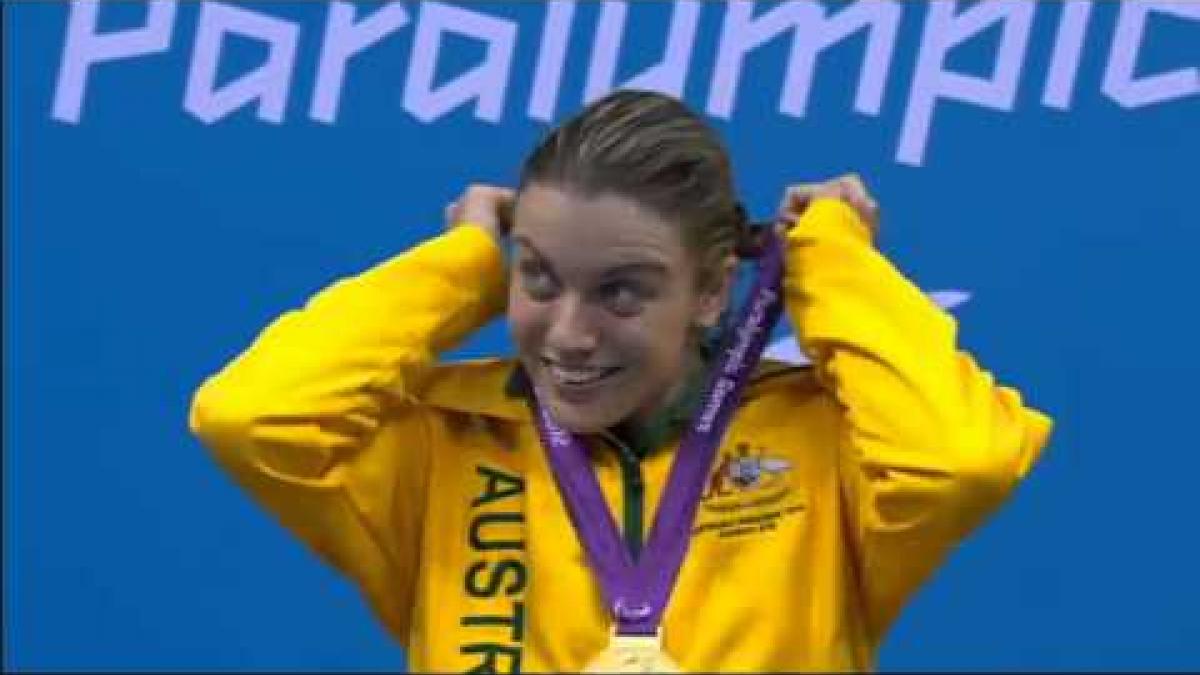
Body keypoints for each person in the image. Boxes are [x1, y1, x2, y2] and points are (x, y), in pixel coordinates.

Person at [189, 90, 1052, 672]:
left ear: (711, 290)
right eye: (539, 278)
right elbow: (251, 415)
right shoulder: (443, 445)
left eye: (622, 292)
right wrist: (463, 267)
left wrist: (827, 257)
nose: (569, 334)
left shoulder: (822, 444)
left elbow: (959, 462)